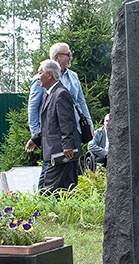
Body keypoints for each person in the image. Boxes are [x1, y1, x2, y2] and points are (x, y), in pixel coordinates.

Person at [28, 42, 94, 188]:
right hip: (53, 138)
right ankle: (44, 206)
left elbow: (80, 103)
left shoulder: (72, 77)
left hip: (71, 135)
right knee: (50, 178)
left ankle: (53, 206)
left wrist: (88, 125)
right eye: (68, 55)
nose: (70, 57)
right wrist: (37, 137)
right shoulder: (41, 80)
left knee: (67, 177)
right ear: (57, 57)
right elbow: (33, 110)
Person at [25, 60, 78, 192]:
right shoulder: (51, 94)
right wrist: (35, 139)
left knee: (49, 192)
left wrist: (67, 146)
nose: (38, 77)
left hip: (60, 153)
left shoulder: (61, 94)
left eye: (40, 73)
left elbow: (67, 122)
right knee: (47, 191)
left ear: (49, 75)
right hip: (52, 152)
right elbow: (49, 124)